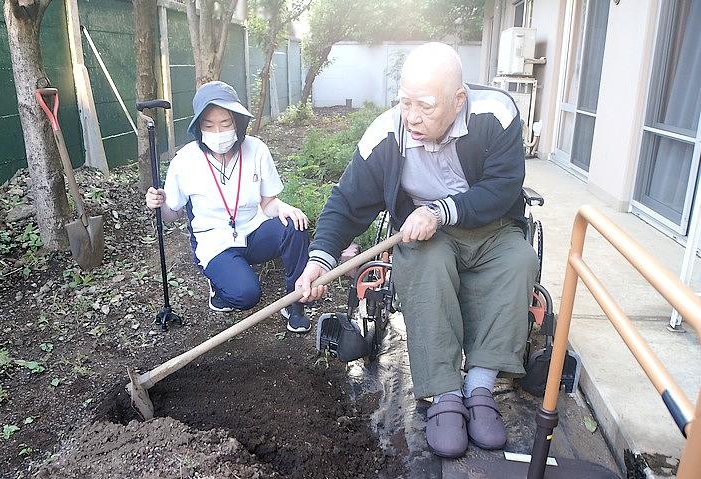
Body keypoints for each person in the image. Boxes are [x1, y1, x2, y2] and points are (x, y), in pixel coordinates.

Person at [296, 43, 539, 457]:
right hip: (427, 237)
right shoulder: (387, 134)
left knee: (519, 261)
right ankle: (444, 394)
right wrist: (320, 257)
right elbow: (347, 202)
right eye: (404, 102)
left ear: (458, 100)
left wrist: (443, 210)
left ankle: (479, 386)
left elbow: (502, 188)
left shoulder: (496, 115)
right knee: (424, 262)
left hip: (490, 226)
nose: (411, 116)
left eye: (425, 106)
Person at [146, 81, 312, 333]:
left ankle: (294, 303)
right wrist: (157, 204)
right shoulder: (185, 161)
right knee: (245, 296)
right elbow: (172, 214)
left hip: (253, 231)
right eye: (209, 125)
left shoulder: (256, 150)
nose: (218, 131)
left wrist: (284, 208)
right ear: (198, 128)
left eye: (225, 123)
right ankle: (220, 289)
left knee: (295, 227)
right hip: (215, 243)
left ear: (237, 122)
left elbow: (268, 203)